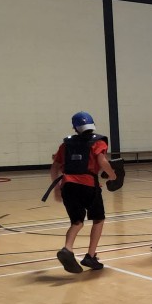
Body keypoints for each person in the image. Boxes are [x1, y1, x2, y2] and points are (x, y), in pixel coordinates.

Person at [49, 111, 117, 273]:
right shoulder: (98, 142)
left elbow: (55, 167)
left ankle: (68, 249)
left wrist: (56, 187)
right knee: (98, 219)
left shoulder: (66, 144)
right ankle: (90, 256)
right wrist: (112, 175)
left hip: (68, 186)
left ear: (74, 127)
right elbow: (102, 161)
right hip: (89, 185)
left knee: (77, 221)